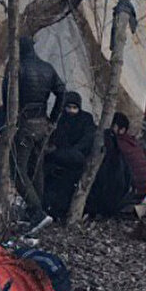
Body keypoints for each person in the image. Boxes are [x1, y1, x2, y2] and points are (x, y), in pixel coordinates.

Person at [2, 36, 66, 200]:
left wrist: (10, 123)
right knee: (37, 169)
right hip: (42, 128)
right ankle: (40, 210)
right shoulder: (47, 68)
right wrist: (52, 119)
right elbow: (62, 93)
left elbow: (6, 98)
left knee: (18, 170)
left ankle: (36, 211)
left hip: (25, 131)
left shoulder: (16, 68)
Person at [42, 91, 97, 220]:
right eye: (68, 107)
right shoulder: (61, 120)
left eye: (74, 108)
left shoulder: (86, 120)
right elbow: (56, 139)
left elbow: (87, 140)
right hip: (61, 161)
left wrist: (72, 152)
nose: (71, 111)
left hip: (78, 160)